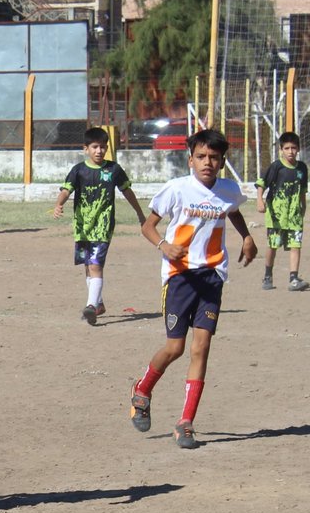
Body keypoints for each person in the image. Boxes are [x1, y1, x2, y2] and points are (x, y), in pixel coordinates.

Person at [131, 128, 257, 450]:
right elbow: (148, 226)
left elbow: (233, 211)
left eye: (214, 157)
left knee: (201, 348)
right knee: (175, 348)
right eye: (201, 156)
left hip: (212, 277)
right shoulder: (177, 189)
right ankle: (142, 389)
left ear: (222, 162)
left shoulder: (228, 190)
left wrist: (246, 237)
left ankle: (186, 422)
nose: (207, 162)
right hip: (180, 277)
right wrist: (163, 245)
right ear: (190, 160)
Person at [53, 126, 147, 325]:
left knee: (95, 265)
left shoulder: (113, 170)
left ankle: (91, 307)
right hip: (82, 227)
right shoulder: (78, 170)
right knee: (88, 266)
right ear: (85, 148)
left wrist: (140, 213)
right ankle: (99, 303)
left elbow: (127, 192)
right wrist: (59, 204)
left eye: (103, 147)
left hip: (103, 226)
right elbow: (66, 190)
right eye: (95, 147)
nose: (99, 151)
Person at [255, 131, 308, 292]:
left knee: (296, 245)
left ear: (298, 149)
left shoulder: (302, 168)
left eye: (293, 148)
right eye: (287, 148)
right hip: (276, 216)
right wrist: (260, 200)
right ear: (281, 149)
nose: (290, 151)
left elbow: (302, 191)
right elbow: (262, 183)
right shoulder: (276, 167)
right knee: (273, 245)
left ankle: (294, 279)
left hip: (294, 216)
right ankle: (267, 276)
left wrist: (303, 208)